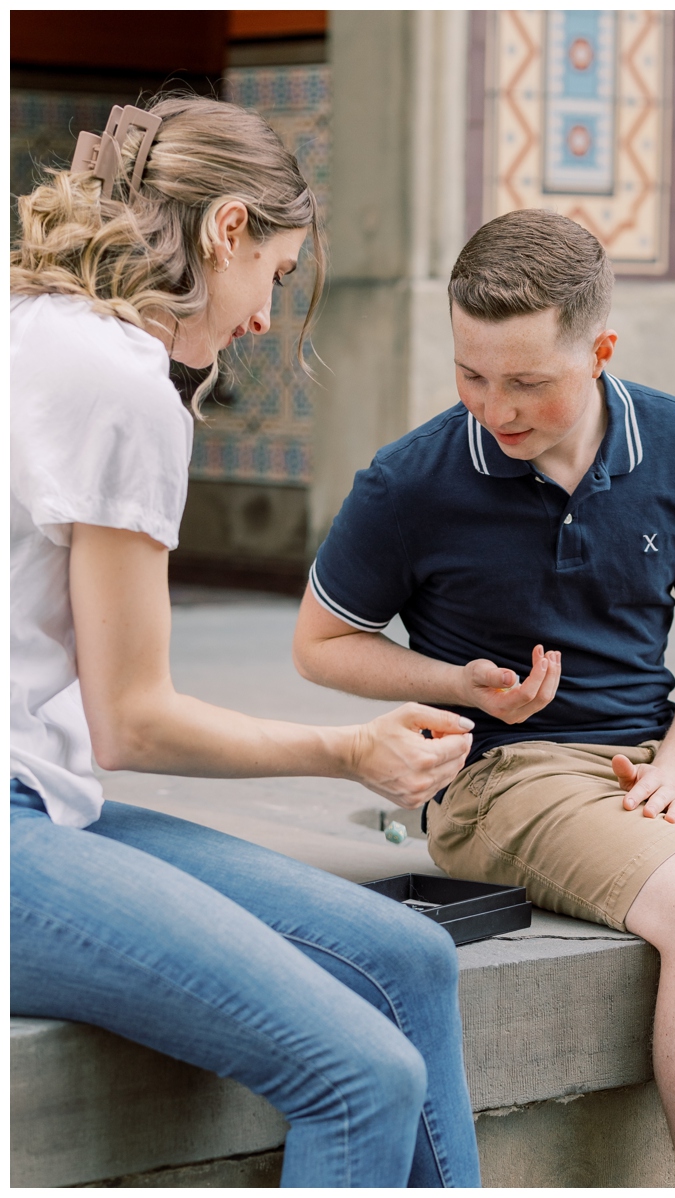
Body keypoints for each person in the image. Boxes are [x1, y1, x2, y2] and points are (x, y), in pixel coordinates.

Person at [11, 96, 483, 1188]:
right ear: (225, 229)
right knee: (362, 1074)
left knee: (409, 958)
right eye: (274, 272)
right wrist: (350, 752)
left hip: (43, 800)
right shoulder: (122, 383)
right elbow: (130, 721)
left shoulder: (37, 328)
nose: (266, 319)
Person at [292, 208, 675, 1187]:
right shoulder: (410, 481)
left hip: (655, 757)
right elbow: (321, 645)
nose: (495, 407)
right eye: (470, 375)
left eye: (527, 381)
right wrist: (454, 684)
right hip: (501, 779)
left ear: (600, 350)